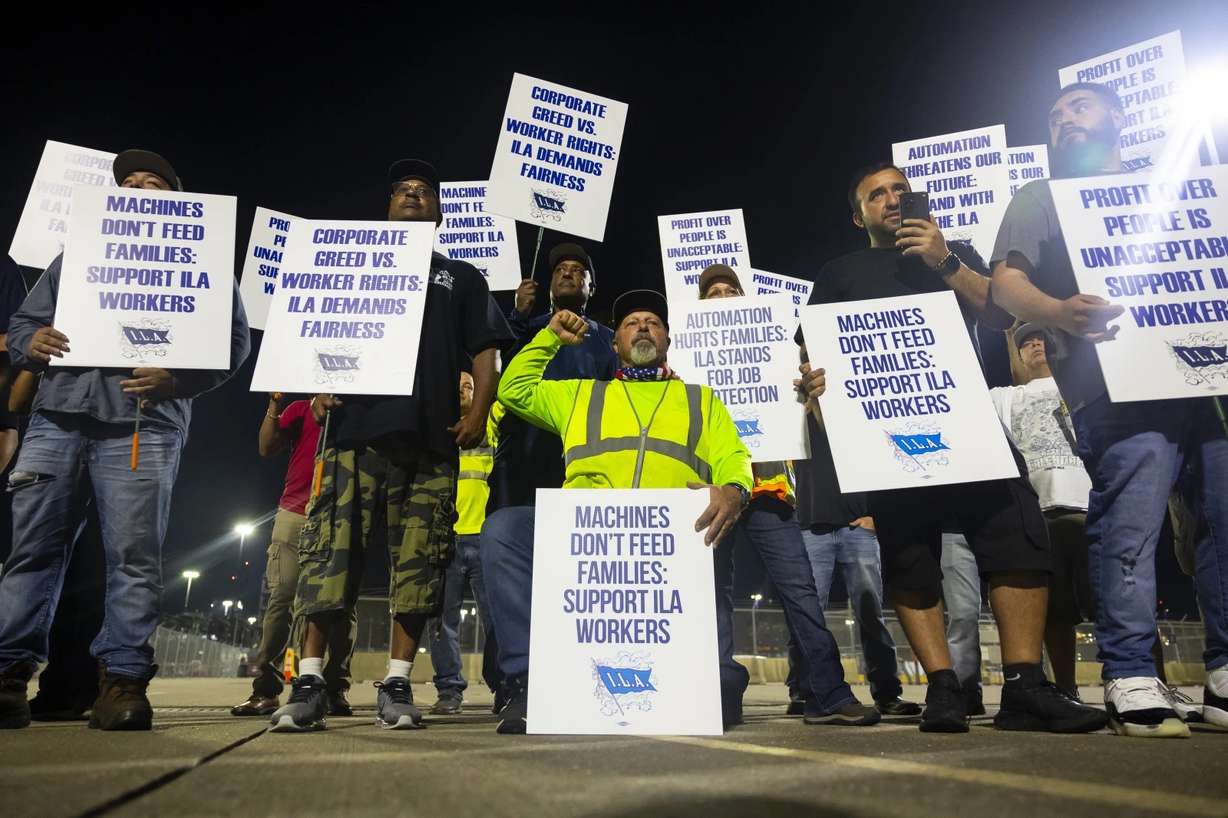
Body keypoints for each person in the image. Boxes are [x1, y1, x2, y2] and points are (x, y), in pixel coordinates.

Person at [798, 160, 1107, 734]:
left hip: (966, 422)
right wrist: (813, 383)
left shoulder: (953, 251)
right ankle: (943, 687)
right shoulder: (840, 272)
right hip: (889, 433)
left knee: (1018, 535)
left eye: (900, 190)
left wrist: (943, 260)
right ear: (858, 215)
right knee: (910, 557)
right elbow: (812, 349)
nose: (893, 199)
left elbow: (1001, 311)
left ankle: (1024, 686)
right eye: (877, 195)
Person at [991, 81, 1228, 735]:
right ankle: (1128, 673)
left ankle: (1222, 674)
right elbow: (1006, 285)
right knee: (1130, 526)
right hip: (1113, 387)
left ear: (1118, 116)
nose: (1064, 118)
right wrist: (1059, 311)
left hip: (1204, 385)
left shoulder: (1171, 187)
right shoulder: (1040, 196)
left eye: (1080, 106)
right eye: (1054, 114)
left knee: (1220, 522)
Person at [0, 149, 251, 730]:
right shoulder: (78, 253)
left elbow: (233, 342)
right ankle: (8, 675)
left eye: (151, 183)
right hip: (58, 417)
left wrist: (178, 381)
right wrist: (30, 341)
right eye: (128, 182)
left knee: (134, 557)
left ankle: (123, 680)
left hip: (144, 423)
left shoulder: (205, 257)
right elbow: (23, 324)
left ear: (177, 200)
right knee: (32, 551)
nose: (136, 188)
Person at [270, 159, 513, 732]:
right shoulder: (351, 267)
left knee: (420, 563)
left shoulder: (460, 276)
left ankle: (399, 681)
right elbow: (312, 330)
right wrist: (317, 385)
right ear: (386, 207)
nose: (412, 195)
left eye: (424, 191)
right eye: (403, 190)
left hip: (428, 441)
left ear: (439, 211)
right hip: (352, 435)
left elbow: (486, 349)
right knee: (330, 556)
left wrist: (478, 410)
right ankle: (309, 680)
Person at [486, 289, 755, 734]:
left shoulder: (701, 399)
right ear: (615, 343)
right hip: (586, 541)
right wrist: (549, 339)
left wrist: (734, 490)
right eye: (631, 322)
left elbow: (734, 456)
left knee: (718, 534)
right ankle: (526, 681)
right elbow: (513, 390)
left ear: (667, 339)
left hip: (669, 544)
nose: (643, 326)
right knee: (503, 529)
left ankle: (716, 675)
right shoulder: (580, 395)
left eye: (653, 322)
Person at [699, 264, 882, 725]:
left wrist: (812, 394)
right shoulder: (688, 356)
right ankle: (718, 693)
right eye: (713, 292)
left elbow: (820, 426)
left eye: (730, 290)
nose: (722, 297)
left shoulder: (781, 354)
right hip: (715, 491)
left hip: (769, 491)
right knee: (713, 593)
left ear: (746, 300)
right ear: (700, 307)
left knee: (800, 591)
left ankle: (826, 693)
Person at [482, 241, 616, 713]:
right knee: (508, 560)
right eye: (560, 268)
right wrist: (518, 315)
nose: (568, 273)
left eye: (579, 270)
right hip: (520, 463)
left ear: (591, 286)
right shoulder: (526, 326)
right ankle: (510, 679)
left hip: (578, 466)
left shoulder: (608, 339)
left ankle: (574, 666)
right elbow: (496, 370)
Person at [231, 393, 356, 718]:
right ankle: (266, 688)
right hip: (295, 513)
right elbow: (266, 447)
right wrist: (274, 405)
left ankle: (334, 687)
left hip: (339, 514)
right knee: (281, 598)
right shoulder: (300, 409)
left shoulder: (360, 407)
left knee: (340, 604)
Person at [426, 372, 498, 715]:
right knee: (442, 622)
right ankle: (449, 690)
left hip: (485, 537)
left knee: (496, 620)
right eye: (457, 387)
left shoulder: (491, 423)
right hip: (447, 539)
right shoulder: (437, 430)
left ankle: (504, 686)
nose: (463, 391)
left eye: (469, 386)